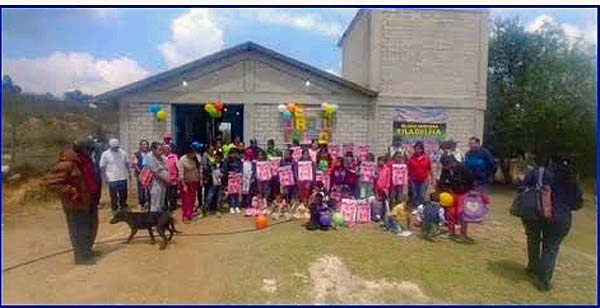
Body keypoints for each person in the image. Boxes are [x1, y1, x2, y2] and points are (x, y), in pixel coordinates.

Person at [520, 156, 583, 292]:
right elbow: (578, 203)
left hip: (546, 214)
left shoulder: (549, 177)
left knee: (539, 242)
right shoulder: (574, 183)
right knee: (551, 248)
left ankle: (534, 268)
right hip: (562, 217)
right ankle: (543, 281)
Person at [45, 138, 100, 264]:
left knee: (90, 227)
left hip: (89, 200)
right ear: (83, 149)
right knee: (78, 230)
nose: (92, 151)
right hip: (76, 203)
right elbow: (50, 183)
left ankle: (87, 251)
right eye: (90, 149)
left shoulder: (86, 160)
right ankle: (80, 257)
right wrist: (71, 191)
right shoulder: (67, 163)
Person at [99, 138, 130, 216]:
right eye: (114, 147)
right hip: (112, 178)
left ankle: (123, 208)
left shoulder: (123, 153)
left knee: (123, 194)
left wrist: (129, 173)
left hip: (122, 177)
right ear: (110, 146)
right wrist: (104, 177)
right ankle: (114, 209)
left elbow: (127, 163)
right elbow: (102, 166)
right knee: (113, 196)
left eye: (116, 147)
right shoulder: (105, 154)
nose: (115, 148)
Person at [178, 145, 203, 223]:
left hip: (194, 181)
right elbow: (181, 173)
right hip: (185, 182)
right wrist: (184, 185)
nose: (193, 155)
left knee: (192, 199)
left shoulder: (198, 158)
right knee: (186, 200)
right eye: (192, 153)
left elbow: (200, 169)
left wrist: (201, 180)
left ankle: (190, 214)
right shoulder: (182, 160)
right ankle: (185, 216)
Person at [143, 142, 170, 213]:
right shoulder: (149, 158)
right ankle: (153, 218)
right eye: (159, 150)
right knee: (155, 202)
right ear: (153, 150)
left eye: (162, 150)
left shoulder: (163, 157)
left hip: (163, 182)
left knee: (161, 201)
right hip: (154, 182)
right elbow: (156, 171)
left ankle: (159, 218)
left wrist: (167, 178)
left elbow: (166, 167)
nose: (161, 152)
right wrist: (167, 178)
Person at [407, 141, 432, 209]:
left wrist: (432, 179)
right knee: (415, 194)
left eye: (419, 148)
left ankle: (421, 209)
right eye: (416, 148)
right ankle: (415, 208)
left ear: (422, 149)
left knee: (421, 194)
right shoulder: (411, 158)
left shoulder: (426, 158)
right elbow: (408, 169)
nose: (418, 150)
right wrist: (408, 178)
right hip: (413, 179)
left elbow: (430, 169)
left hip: (424, 179)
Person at [131, 139, 151, 210]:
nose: (145, 146)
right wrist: (141, 172)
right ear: (140, 146)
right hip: (140, 174)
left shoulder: (150, 153)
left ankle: (148, 203)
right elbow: (134, 164)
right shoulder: (136, 154)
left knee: (149, 189)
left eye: (146, 144)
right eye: (143, 144)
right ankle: (141, 203)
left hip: (149, 175)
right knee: (141, 189)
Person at [223, 149, 243, 214]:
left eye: (235, 153)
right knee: (231, 192)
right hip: (230, 177)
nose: (234, 155)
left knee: (237, 192)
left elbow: (241, 168)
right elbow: (225, 169)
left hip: (237, 177)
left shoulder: (239, 160)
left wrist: (240, 174)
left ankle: (236, 206)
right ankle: (231, 206)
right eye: (233, 153)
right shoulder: (227, 160)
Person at [164, 145, 179, 212]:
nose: (166, 150)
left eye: (168, 149)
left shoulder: (174, 156)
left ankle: (173, 206)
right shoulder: (161, 157)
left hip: (173, 178)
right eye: (165, 149)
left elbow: (178, 166)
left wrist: (178, 175)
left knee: (173, 194)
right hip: (164, 179)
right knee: (166, 194)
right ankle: (166, 206)